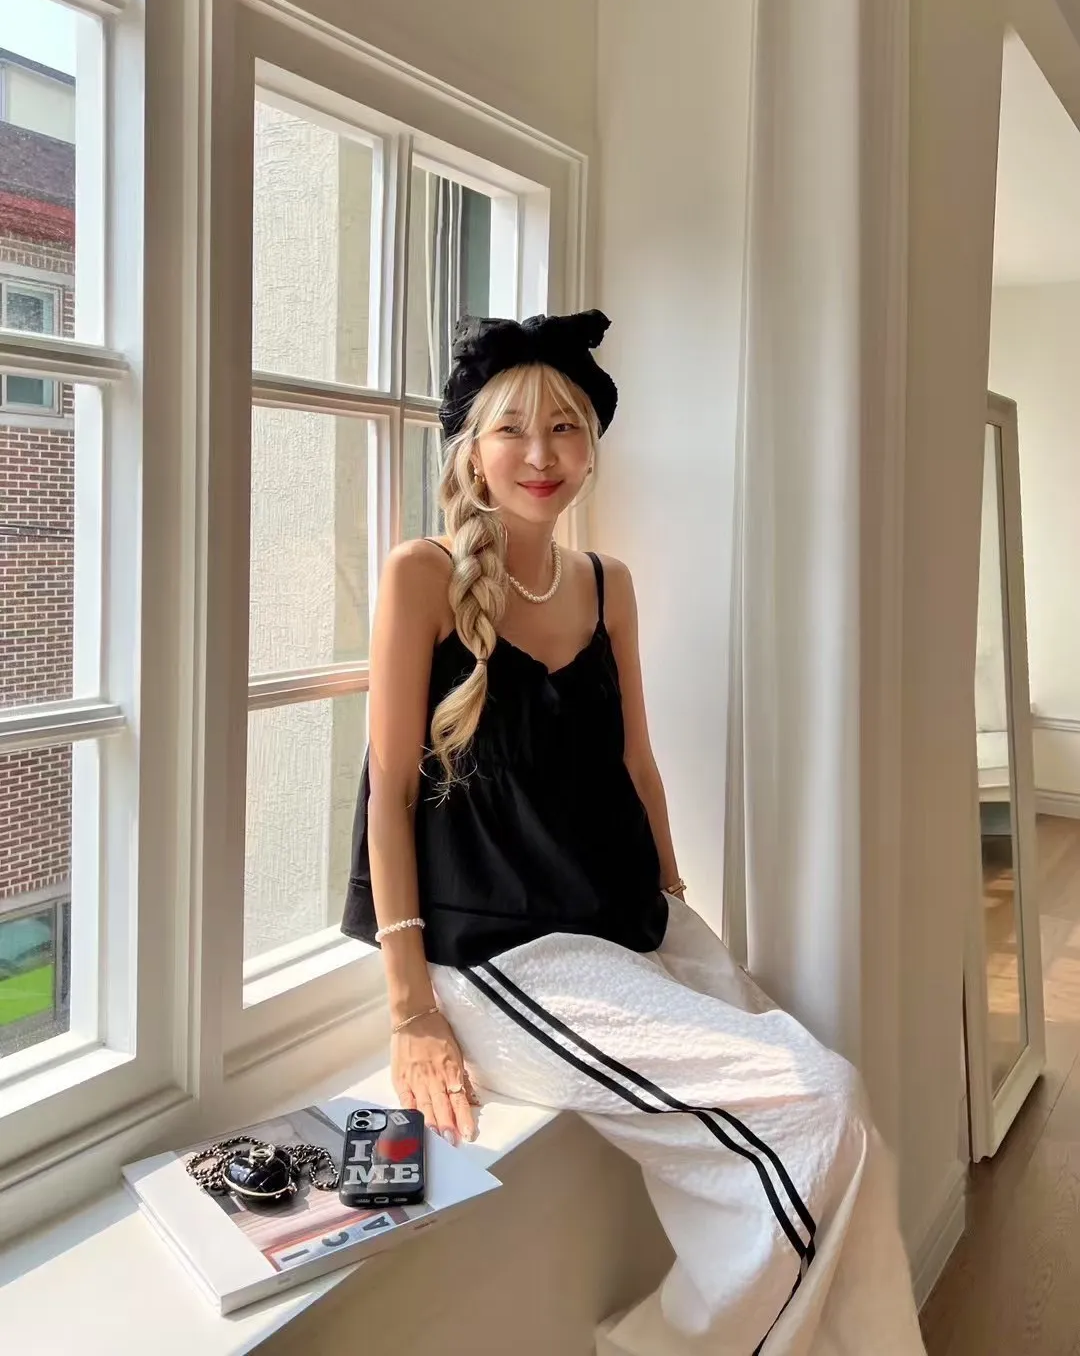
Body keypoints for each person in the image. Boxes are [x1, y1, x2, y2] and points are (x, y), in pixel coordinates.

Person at [342, 311, 926, 1355]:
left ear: (592, 448)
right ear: (470, 448)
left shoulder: (608, 584)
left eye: (565, 428)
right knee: (825, 1100)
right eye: (513, 429)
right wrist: (410, 1010)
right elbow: (388, 795)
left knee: (856, 1144)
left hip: (631, 919)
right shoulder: (420, 575)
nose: (541, 454)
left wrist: (679, 914)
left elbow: (637, 767)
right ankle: (668, 1343)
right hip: (507, 956)